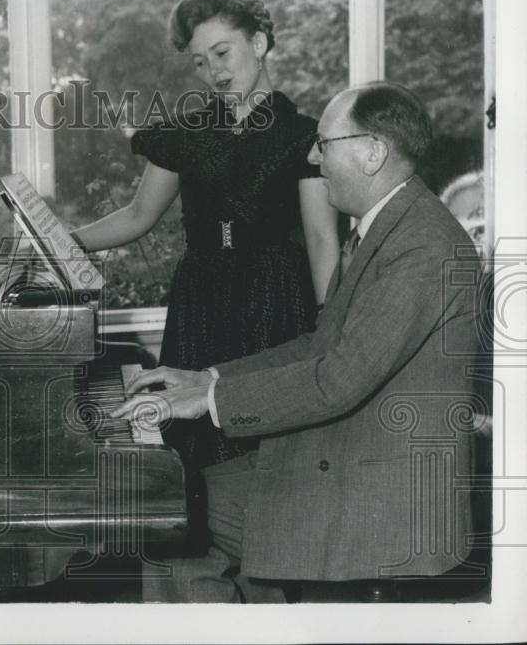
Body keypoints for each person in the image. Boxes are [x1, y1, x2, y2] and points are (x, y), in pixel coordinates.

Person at [114, 82, 480, 601]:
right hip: (356, 458)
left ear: (373, 153)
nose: (311, 157)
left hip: (386, 501)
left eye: (323, 144)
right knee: (176, 501)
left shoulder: (422, 247)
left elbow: (337, 380)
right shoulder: (389, 227)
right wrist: (206, 378)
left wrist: (210, 401)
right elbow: (319, 344)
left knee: (166, 514)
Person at [72, 0, 339, 592]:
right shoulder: (186, 134)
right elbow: (137, 216)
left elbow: (322, 240)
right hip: (200, 301)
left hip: (275, 300)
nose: (213, 70)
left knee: (264, 467)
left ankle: (267, 603)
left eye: (222, 52)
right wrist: (61, 242)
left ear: (259, 44)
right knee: (192, 468)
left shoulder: (305, 135)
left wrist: (329, 325)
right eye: (199, 61)